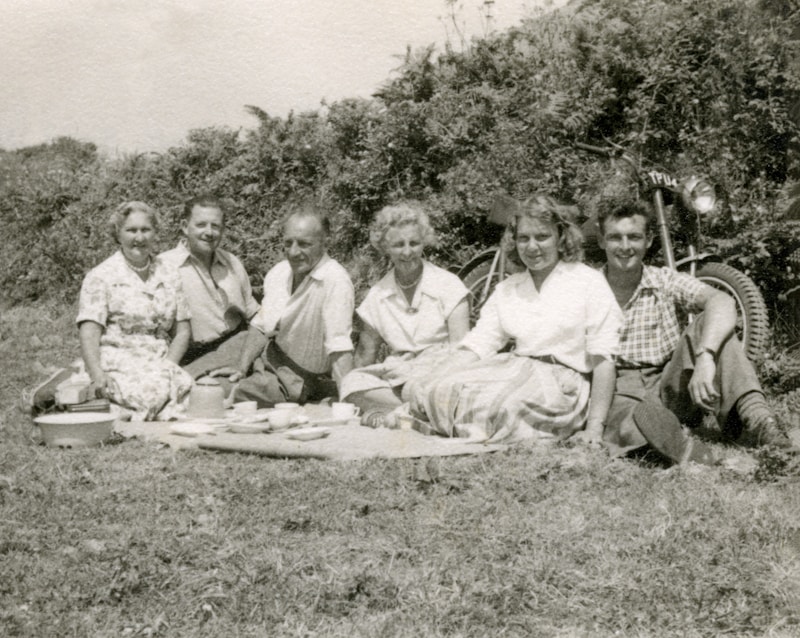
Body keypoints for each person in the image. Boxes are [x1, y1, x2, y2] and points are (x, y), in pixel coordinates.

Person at [406, 194, 622, 444]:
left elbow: (603, 359)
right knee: (439, 390)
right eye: (523, 238)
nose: (532, 247)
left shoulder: (588, 281)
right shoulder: (509, 287)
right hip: (514, 369)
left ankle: (461, 427)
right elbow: (480, 343)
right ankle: (467, 426)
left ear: (561, 238)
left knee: (498, 406)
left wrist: (595, 427)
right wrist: (439, 376)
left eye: (542, 237)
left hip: (563, 384)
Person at [598, 200, 794, 463]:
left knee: (711, 326)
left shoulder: (663, 279)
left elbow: (723, 301)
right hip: (619, 387)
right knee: (628, 423)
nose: (624, 247)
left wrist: (705, 357)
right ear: (602, 241)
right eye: (615, 238)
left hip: (670, 383)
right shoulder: (588, 288)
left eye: (634, 237)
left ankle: (763, 424)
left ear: (648, 240)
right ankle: (673, 443)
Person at [29, 201, 194, 421]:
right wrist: (97, 374)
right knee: (147, 396)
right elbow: (89, 333)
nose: (139, 237)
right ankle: (74, 387)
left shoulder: (169, 273)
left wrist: (169, 366)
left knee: (193, 398)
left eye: (146, 230)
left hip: (157, 358)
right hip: (116, 357)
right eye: (131, 230)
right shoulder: (101, 276)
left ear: (155, 233)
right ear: (118, 234)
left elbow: (182, 331)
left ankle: (84, 397)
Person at [338, 202, 470, 427]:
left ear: (423, 243)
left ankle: (407, 412)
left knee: (459, 386)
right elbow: (365, 356)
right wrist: (352, 387)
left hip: (443, 371)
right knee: (351, 382)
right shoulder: (377, 296)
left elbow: (462, 348)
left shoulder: (449, 285)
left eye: (414, 243)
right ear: (385, 247)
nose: (407, 252)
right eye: (399, 245)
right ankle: (425, 411)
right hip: (400, 375)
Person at [211, 204, 355, 406]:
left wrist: (348, 402)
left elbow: (339, 347)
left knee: (212, 391)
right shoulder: (279, 272)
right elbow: (261, 326)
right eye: (288, 243)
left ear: (325, 242)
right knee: (192, 374)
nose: (294, 252)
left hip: (293, 378)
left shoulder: (335, 280)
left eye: (304, 244)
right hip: (263, 355)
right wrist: (241, 368)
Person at [160, 195, 260, 380]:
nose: (209, 232)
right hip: (194, 356)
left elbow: (254, 314)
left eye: (215, 226)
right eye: (201, 225)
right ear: (184, 226)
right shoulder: (164, 266)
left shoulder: (232, 262)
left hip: (240, 345)